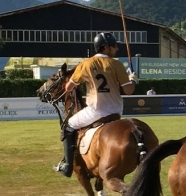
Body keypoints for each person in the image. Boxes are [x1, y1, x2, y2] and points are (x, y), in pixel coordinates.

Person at [53, 32, 136, 176]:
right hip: (117, 110)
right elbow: (128, 91)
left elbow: (68, 88)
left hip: (96, 110)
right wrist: (134, 80)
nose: (116, 49)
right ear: (105, 48)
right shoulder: (116, 64)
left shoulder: (85, 64)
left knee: (67, 127)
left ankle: (67, 165)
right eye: (114, 46)